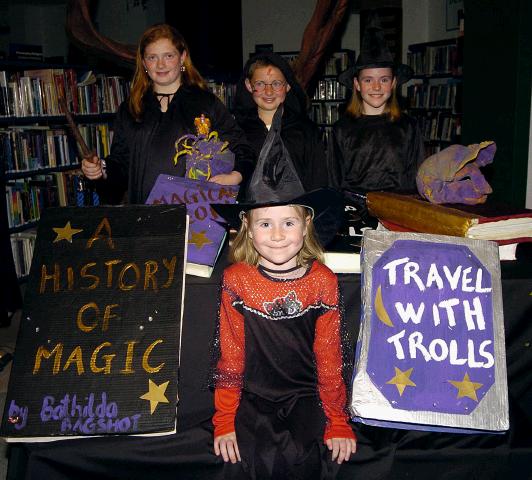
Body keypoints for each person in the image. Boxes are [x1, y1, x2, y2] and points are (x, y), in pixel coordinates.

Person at [210, 188, 356, 479]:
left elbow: (329, 357)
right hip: (254, 395)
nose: (277, 235)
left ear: (306, 226)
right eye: (265, 224)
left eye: (288, 222)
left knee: (305, 459)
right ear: (248, 230)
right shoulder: (236, 279)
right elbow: (231, 353)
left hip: (305, 394)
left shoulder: (321, 281)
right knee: (253, 459)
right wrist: (224, 419)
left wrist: (337, 419)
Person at [81, 24, 255, 204]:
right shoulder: (131, 108)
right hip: (144, 216)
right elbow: (121, 165)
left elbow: (243, 149)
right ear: (144, 62)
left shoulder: (206, 104)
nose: (160, 64)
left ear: (183, 58)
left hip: (195, 216)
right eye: (152, 57)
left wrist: (235, 176)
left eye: (168, 56)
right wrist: (101, 170)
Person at [328, 27, 424, 195]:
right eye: (368, 80)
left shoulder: (408, 126)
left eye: (384, 79)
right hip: (355, 212)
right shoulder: (341, 129)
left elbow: (417, 176)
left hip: (398, 210)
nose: (377, 87)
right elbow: (334, 180)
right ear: (357, 84)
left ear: (393, 83)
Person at [234, 52, 329, 194]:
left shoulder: (306, 131)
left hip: (296, 213)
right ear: (249, 85)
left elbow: (318, 182)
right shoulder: (237, 132)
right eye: (260, 84)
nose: (268, 91)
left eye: (276, 83)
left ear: (288, 86)